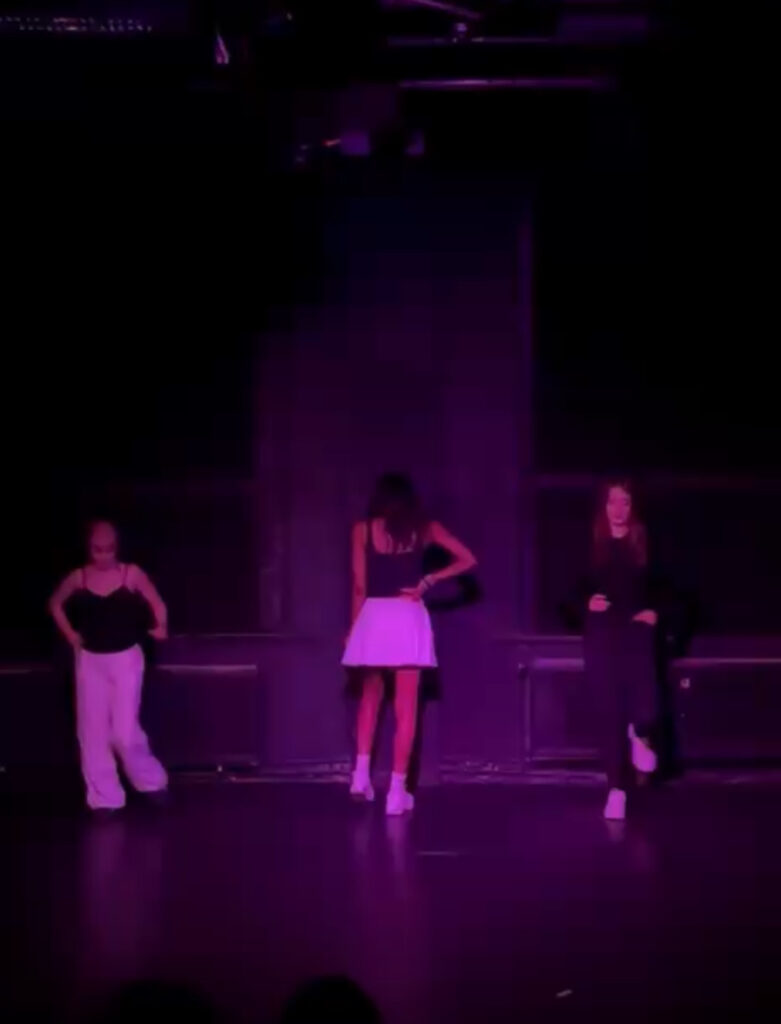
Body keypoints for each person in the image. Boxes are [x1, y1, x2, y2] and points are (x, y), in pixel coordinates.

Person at [343, 473, 477, 816]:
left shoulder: (362, 530)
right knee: (407, 710)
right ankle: (396, 793)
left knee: (369, 698)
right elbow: (467, 558)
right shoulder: (424, 528)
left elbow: (359, 585)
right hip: (406, 615)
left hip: (374, 615)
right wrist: (429, 581)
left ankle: (360, 776)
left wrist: (353, 629)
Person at [48, 520, 169, 814]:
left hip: (125, 659)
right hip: (91, 660)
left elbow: (157, 602)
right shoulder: (79, 578)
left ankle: (152, 782)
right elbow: (55, 604)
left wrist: (161, 625)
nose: (103, 555)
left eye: (109, 549)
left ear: (117, 547)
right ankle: (105, 798)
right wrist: (71, 635)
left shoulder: (131, 574)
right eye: (97, 549)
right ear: (89, 549)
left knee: (124, 732)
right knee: (93, 731)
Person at [583, 480, 659, 821]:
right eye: (612, 502)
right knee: (608, 711)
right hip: (602, 634)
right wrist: (585, 603)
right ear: (603, 506)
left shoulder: (644, 544)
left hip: (636, 633)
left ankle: (639, 733)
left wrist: (656, 612)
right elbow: (567, 593)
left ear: (632, 506)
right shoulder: (592, 546)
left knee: (644, 706)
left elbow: (667, 588)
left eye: (625, 502)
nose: (618, 509)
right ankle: (616, 789)